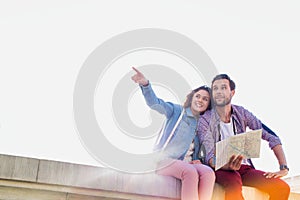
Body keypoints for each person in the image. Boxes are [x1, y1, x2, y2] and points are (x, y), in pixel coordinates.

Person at [198, 74, 290, 200]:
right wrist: (224, 165)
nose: (219, 92)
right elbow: (208, 154)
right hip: (219, 168)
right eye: (215, 89)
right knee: (233, 183)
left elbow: (271, 136)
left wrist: (283, 168)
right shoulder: (205, 119)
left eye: (223, 87)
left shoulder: (241, 113)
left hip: (245, 169)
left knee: (282, 188)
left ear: (232, 92)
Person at [131, 67, 215, 200]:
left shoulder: (202, 125)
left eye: (205, 99)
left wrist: (197, 160)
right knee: (190, 172)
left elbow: (201, 151)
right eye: (198, 96)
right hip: (163, 161)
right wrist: (145, 84)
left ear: (208, 105)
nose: (200, 100)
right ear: (192, 97)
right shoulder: (176, 111)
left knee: (208, 173)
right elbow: (155, 103)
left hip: (187, 164)